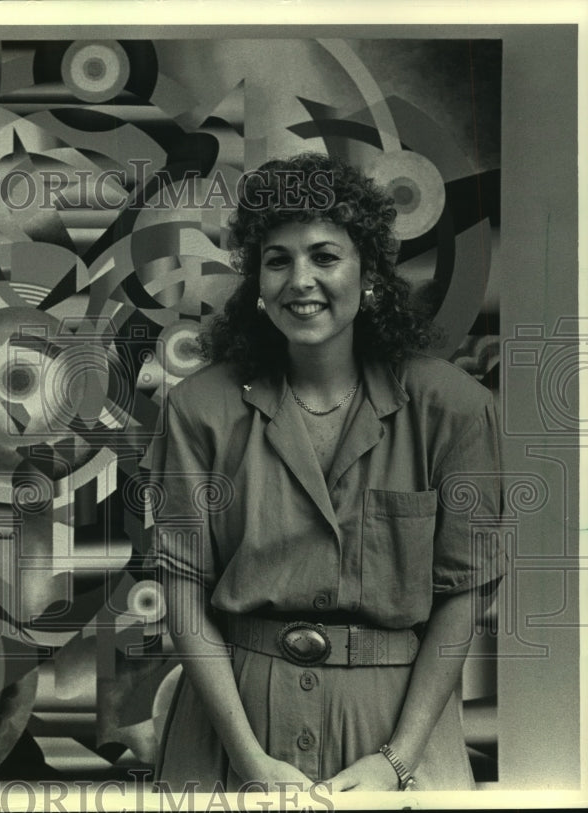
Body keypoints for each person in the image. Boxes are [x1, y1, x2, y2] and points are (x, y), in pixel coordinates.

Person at [141, 153, 506, 793]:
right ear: (256, 280)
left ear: (368, 273)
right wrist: (250, 764)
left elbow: (463, 596)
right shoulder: (198, 410)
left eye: (324, 256)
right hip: (235, 731)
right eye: (277, 260)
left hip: (398, 733)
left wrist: (397, 761)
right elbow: (183, 596)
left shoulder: (455, 409)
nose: (299, 279)